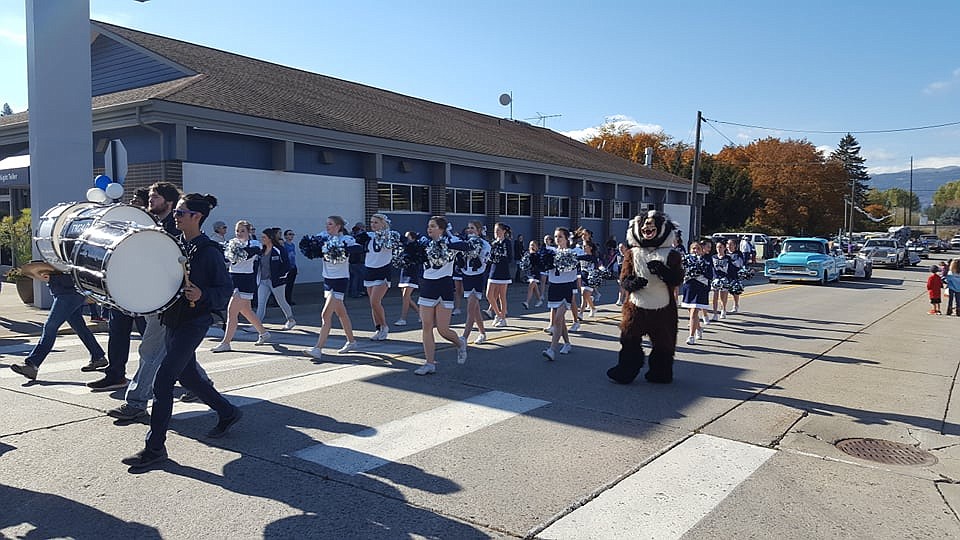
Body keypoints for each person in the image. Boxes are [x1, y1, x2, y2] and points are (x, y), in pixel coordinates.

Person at [122, 193, 240, 470]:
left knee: (163, 382)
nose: (175, 216)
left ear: (197, 217)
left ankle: (155, 449)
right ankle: (228, 411)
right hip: (171, 319)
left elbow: (224, 290)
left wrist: (201, 294)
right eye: (176, 213)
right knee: (188, 377)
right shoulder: (176, 246)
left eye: (181, 213)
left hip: (194, 322)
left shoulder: (208, 251)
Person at [89, 181, 182, 392]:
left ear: (169, 202)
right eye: (150, 196)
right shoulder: (146, 222)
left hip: (157, 295)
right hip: (134, 288)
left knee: (162, 344)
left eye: (156, 197)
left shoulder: (175, 227)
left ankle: (194, 383)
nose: (151, 200)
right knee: (119, 329)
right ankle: (116, 374)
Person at [9, 270, 107, 381]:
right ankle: (98, 356)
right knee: (79, 327)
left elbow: (75, 272)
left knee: (50, 327)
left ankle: (32, 364)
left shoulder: (68, 253)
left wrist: (51, 278)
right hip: (67, 293)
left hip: (69, 294)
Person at [414, 216, 471, 375]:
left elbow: (466, 246)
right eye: (428, 226)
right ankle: (429, 363)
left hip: (444, 286)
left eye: (433, 226)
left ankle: (460, 343)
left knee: (443, 329)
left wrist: (448, 238)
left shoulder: (451, 242)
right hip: (428, 286)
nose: (429, 229)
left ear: (441, 229)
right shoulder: (425, 243)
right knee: (426, 326)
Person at [305, 216, 364, 361]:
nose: (327, 226)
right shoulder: (323, 237)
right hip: (327, 280)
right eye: (326, 224)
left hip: (340, 280)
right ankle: (352, 342)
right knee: (341, 314)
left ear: (338, 226)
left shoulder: (346, 239)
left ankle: (318, 348)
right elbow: (309, 245)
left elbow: (358, 248)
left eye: (330, 224)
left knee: (325, 315)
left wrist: (342, 248)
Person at [210, 220, 270, 352]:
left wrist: (236, 249)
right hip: (232, 279)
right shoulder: (232, 243)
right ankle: (264, 333)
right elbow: (226, 259)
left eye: (243, 231)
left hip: (246, 280)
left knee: (232, 311)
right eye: (237, 231)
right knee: (246, 311)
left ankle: (226, 342)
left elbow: (250, 253)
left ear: (249, 232)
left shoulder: (255, 244)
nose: (239, 233)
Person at [541, 227, 584, 360]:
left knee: (558, 319)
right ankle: (567, 343)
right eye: (556, 236)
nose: (557, 239)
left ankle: (552, 350)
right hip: (554, 288)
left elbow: (585, 260)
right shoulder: (551, 252)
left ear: (567, 239)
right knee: (561, 320)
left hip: (567, 288)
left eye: (560, 236)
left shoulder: (573, 252)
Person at [356, 213, 399, 340]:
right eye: (371, 222)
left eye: (376, 222)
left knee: (375, 301)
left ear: (383, 223)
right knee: (372, 303)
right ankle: (378, 328)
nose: (373, 225)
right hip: (369, 270)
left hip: (383, 270)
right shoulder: (368, 236)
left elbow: (396, 245)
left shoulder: (391, 235)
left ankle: (385, 326)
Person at [253, 228, 296, 329]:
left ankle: (291, 319)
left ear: (270, 238)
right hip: (263, 281)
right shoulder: (261, 251)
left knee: (281, 301)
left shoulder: (279, 250)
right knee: (261, 303)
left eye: (264, 237)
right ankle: (257, 325)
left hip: (276, 281)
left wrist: (281, 276)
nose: (262, 239)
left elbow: (287, 265)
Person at [460, 220, 491, 345]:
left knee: (470, 308)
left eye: (472, 228)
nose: (470, 230)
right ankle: (482, 333)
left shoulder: (485, 245)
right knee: (475, 308)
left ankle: (464, 338)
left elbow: (484, 262)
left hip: (477, 277)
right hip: (466, 276)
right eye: (468, 228)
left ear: (478, 230)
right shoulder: (465, 243)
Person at [679, 241, 713, 345]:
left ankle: (691, 336)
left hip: (700, 288)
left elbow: (710, 275)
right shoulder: (686, 260)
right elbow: (680, 271)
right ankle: (699, 328)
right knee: (691, 312)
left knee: (694, 312)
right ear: (690, 250)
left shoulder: (706, 260)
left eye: (698, 248)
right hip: (689, 288)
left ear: (701, 250)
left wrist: (701, 270)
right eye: (693, 248)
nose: (695, 251)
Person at [485, 222, 514, 327]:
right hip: (493, 271)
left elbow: (510, 258)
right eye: (495, 231)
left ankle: (503, 318)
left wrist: (501, 256)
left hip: (503, 271)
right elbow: (490, 257)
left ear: (503, 231)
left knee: (502, 296)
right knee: (489, 295)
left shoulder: (507, 242)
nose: (496, 232)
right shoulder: (493, 243)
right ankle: (498, 315)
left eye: (498, 230)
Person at [394, 231, 424, 327]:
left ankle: (403, 319)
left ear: (413, 238)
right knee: (405, 297)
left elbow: (417, 258)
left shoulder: (415, 246)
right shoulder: (404, 246)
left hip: (412, 272)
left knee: (406, 296)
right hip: (404, 271)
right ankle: (421, 314)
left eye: (408, 237)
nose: (406, 239)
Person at [710, 240, 734, 320]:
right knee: (715, 297)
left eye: (720, 247)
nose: (718, 249)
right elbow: (711, 268)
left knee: (723, 296)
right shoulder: (713, 257)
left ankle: (723, 309)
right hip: (715, 279)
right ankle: (715, 313)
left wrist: (730, 278)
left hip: (725, 279)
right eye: (717, 247)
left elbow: (731, 269)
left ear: (724, 248)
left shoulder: (728, 258)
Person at [520, 240, 543, 310]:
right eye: (530, 245)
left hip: (536, 273)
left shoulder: (538, 254)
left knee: (532, 284)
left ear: (536, 247)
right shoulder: (527, 254)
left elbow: (538, 263)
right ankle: (539, 300)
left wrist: (533, 254)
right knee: (534, 286)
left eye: (533, 245)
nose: (532, 246)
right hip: (529, 273)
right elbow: (524, 263)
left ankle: (527, 302)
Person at [726, 238, 746, 313]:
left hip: (735, 274)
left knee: (735, 291)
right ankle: (723, 307)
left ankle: (736, 305)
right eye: (728, 244)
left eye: (731, 244)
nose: (729, 246)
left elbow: (739, 264)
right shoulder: (725, 253)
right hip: (726, 274)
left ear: (735, 245)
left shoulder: (738, 253)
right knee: (724, 291)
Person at [347, 222, 366, 298]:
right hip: (358, 259)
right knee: (358, 276)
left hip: (352, 260)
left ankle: (351, 292)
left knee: (353, 277)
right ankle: (356, 292)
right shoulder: (361, 236)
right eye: (363, 227)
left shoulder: (351, 236)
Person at [283, 229, 298, 305]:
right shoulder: (284, 245)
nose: (291, 236)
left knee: (290, 285)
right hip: (287, 268)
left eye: (292, 234)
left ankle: (289, 299)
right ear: (285, 236)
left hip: (293, 267)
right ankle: (285, 300)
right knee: (286, 285)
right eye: (289, 234)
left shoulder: (292, 245)